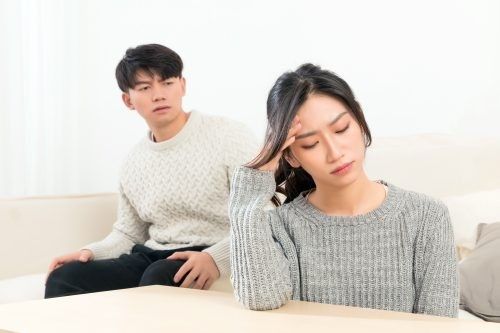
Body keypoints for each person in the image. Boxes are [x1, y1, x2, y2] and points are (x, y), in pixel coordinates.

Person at [229, 63, 459, 317]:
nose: (335, 152)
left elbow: (440, 325)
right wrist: (252, 180)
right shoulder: (281, 226)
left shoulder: (428, 217)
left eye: (341, 129)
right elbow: (260, 297)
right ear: (291, 156)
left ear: (359, 120)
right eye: (311, 144)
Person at [45, 44, 257, 298]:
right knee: (65, 277)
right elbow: (129, 232)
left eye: (167, 83)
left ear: (183, 85)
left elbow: (261, 214)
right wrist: (89, 252)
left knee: (157, 277)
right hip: (152, 254)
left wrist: (215, 257)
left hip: (212, 250)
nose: (158, 95)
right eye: (145, 88)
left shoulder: (230, 136)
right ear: (128, 100)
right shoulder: (133, 161)